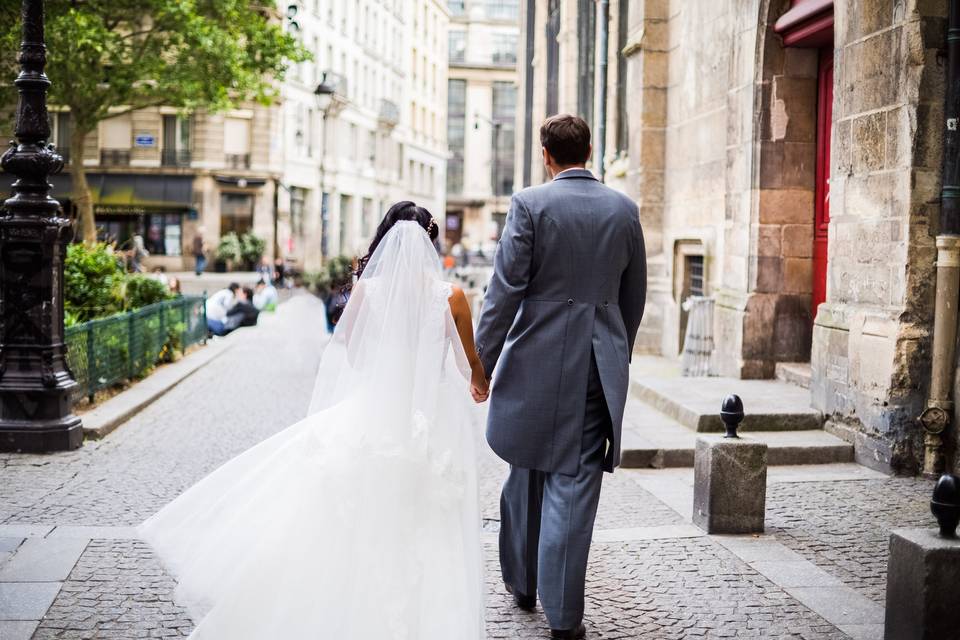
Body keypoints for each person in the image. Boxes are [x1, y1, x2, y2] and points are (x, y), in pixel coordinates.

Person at [139, 202, 489, 639]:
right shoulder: (452, 296)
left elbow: (354, 354)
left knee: (357, 515)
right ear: (430, 242)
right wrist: (479, 382)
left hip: (375, 414)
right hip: (429, 421)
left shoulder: (369, 291)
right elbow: (469, 361)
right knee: (429, 522)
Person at [475, 114, 647, 640]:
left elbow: (504, 293)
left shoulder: (529, 204)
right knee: (572, 483)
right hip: (596, 365)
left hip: (534, 360)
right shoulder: (625, 209)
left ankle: (524, 583)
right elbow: (633, 298)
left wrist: (481, 364)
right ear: (590, 151)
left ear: (545, 155)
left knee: (526, 469)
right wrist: (617, 351)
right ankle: (565, 619)